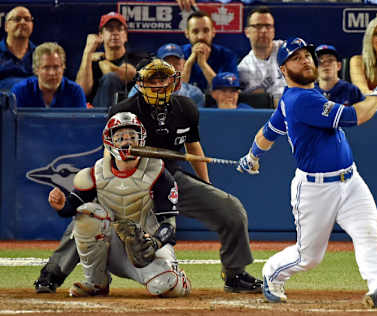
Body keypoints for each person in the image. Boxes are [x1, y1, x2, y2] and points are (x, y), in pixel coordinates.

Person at [33, 57, 262, 295]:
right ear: (141, 84)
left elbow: (194, 149)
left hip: (170, 178)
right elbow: (109, 152)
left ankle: (234, 274)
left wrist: (206, 185)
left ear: (173, 82)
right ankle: (51, 274)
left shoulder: (186, 108)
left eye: (163, 78)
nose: (159, 84)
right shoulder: (123, 111)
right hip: (127, 179)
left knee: (231, 210)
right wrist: (108, 183)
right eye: (153, 79)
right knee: (86, 217)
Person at [237, 37, 377, 308]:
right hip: (316, 189)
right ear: (283, 69)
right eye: (296, 57)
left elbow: (268, 132)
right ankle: (272, 272)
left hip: (350, 180)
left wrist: (252, 156)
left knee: (367, 232)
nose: (305, 60)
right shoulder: (300, 100)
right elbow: (357, 116)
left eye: (307, 55)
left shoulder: (298, 97)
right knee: (309, 257)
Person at [46, 112, 191, 297]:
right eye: (120, 137)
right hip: (111, 247)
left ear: (141, 140)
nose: (127, 142)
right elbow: (71, 209)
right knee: (87, 213)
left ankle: (180, 280)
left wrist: (153, 243)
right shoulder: (97, 172)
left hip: (147, 248)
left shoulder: (158, 173)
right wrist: (61, 205)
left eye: (133, 136)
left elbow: (169, 226)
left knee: (167, 287)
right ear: (109, 141)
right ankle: (96, 283)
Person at [75, 12, 139, 108]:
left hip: (128, 115)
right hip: (97, 115)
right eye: (110, 29)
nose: (115, 33)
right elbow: (81, 92)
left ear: (125, 35)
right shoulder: (91, 63)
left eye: (119, 29)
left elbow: (128, 74)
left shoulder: (136, 59)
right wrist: (87, 53)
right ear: (101, 35)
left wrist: (104, 62)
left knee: (110, 78)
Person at [128, 43, 205, 107]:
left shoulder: (194, 93)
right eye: (166, 64)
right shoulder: (140, 89)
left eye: (176, 63)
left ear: (183, 64)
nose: (171, 68)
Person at [11, 42, 86, 108]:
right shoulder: (20, 91)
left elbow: (82, 123)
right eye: (46, 68)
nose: (52, 73)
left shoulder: (75, 92)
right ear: (36, 69)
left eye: (56, 67)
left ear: (63, 68)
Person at [238, 6, 286, 106]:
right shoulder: (244, 68)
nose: (264, 30)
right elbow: (258, 101)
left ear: (273, 31)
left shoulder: (286, 50)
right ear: (247, 32)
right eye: (258, 26)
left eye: (268, 26)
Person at [182, 11, 238, 92]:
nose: (201, 37)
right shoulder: (178, 54)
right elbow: (174, 92)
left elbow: (227, 92)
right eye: (195, 31)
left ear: (213, 32)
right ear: (187, 34)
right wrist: (189, 63)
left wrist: (203, 65)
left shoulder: (227, 55)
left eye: (206, 31)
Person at [0, 6, 35, 91]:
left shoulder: (41, 55)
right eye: (17, 19)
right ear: (6, 26)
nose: (23, 22)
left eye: (27, 19)